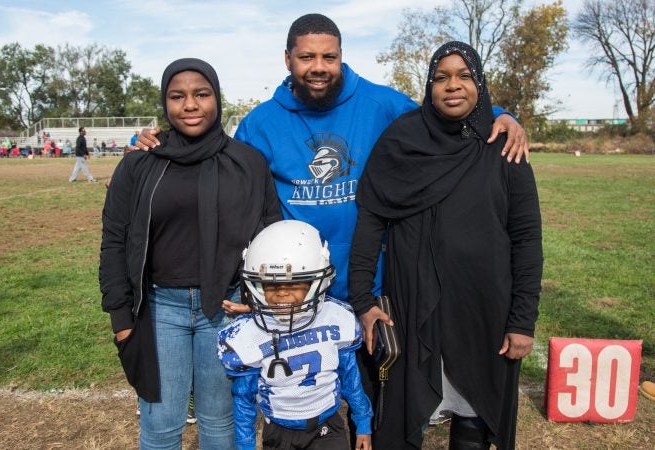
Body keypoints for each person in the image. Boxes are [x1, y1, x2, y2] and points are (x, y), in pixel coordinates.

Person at [134, 13, 528, 308]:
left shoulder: (382, 103)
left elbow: (445, 114)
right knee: (302, 404)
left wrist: (501, 114)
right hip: (294, 281)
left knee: (374, 397)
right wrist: (155, 142)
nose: (318, 67)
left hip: (374, 278)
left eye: (329, 56)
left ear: (341, 57)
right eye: (307, 57)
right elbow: (216, 164)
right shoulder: (261, 122)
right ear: (288, 60)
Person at [349, 41, 543, 449]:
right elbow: (370, 221)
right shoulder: (401, 141)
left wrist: (522, 321)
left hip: (483, 307)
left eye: (464, 76)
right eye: (441, 77)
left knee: (475, 416)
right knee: (402, 418)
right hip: (411, 305)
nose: (452, 86)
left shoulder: (502, 146)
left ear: (480, 84)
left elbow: (526, 238)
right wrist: (363, 299)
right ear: (428, 85)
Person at [100, 57, 282, 449]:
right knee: (161, 427)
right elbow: (114, 239)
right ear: (165, 103)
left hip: (227, 306)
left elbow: (269, 236)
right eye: (177, 96)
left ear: (217, 98)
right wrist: (121, 318)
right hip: (160, 309)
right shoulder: (139, 163)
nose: (190, 105)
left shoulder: (247, 163)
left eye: (201, 94)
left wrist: (260, 304)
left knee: (221, 425)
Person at [218, 220, 372, 450]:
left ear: (316, 282)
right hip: (280, 432)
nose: (282, 295)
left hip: (327, 427)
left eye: (295, 284)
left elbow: (350, 378)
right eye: (271, 286)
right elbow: (244, 401)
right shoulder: (247, 333)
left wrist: (363, 422)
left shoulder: (335, 317)